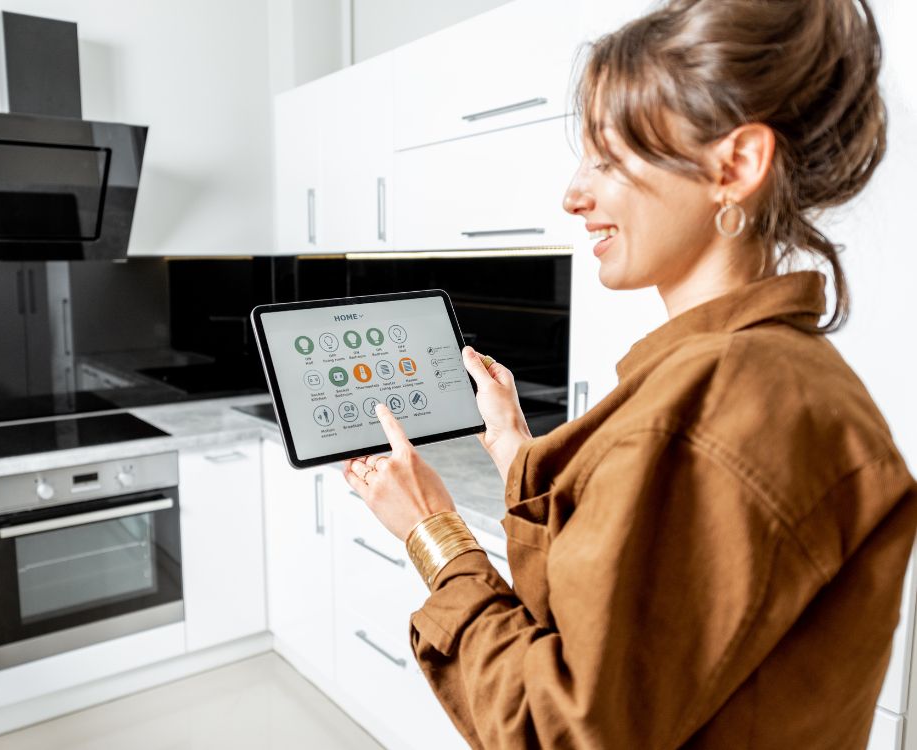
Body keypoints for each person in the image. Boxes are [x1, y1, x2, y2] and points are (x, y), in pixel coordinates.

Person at [342, 0, 917, 747]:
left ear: (734, 166)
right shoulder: (758, 373)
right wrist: (514, 445)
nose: (573, 195)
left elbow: (561, 729)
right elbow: (620, 610)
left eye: (608, 160)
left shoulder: (722, 403)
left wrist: (434, 532)